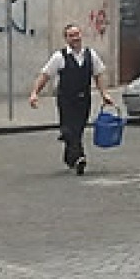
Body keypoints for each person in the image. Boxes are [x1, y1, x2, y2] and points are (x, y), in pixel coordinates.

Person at [29, 24, 115, 175]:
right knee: (70, 129)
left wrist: (104, 94)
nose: (75, 38)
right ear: (66, 38)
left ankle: (70, 158)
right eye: (71, 35)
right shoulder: (59, 56)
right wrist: (35, 93)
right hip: (66, 100)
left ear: (81, 35)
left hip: (84, 99)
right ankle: (80, 157)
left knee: (78, 130)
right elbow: (45, 75)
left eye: (77, 34)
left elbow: (99, 74)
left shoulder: (91, 54)